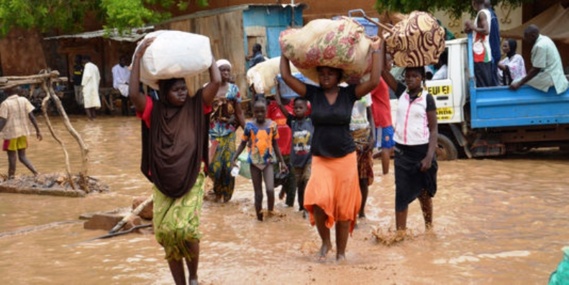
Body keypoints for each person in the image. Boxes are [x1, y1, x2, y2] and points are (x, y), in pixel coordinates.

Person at [279, 38, 383, 261]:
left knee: (344, 209)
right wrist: (285, 52)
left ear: (338, 75)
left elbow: (374, 81)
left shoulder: (349, 94)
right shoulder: (313, 94)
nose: (325, 76)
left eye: (330, 73)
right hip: (320, 158)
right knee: (316, 200)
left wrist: (376, 51)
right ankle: (326, 243)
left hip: (345, 158)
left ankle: (342, 254)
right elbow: (286, 77)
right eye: (322, 73)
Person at [129, 37, 221, 285]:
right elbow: (134, 93)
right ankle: (180, 283)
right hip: (163, 179)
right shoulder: (153, 111)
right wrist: (137, 58)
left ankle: (193, 277)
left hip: (192, 175)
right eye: (176, 89)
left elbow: (216, 81)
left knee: (186, 229)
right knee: (165, 233)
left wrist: (208, 54)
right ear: (164, 93)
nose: (182, 92)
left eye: (184, 88)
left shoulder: (196, 105)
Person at [382, 65, 438, 238]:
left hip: (422, 152)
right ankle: (400, 235)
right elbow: (383, 72)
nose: (410, 79)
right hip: (402, 152)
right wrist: (380, 42)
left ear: (422, 78)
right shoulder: (401, 93)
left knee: (424, 193)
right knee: (401, 193)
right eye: (407, 76)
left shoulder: (428, 99)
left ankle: (429, 228)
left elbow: (434, 129)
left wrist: (429, 156)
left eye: (414, 76)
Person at [231, 98, 288, 221]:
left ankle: (270, 213)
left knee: (269, 190)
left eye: (262, 111)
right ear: (253, 112)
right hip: (254, 163)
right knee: (258, 194)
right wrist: (234, 158)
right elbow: (242, 143)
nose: (260, 114)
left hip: (268, 163)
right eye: (257, 112)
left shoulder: (272, 125)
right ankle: (259, 218)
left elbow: (275, 145)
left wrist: (282, 162)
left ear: (266, 111)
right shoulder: (249, 126)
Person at [208, 59, 245, 202]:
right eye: (222, 70)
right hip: (212, 135)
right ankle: (217, 192)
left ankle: (227, 198)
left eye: (228, 70)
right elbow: (203, 113)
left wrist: (248, 132)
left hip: (229, 133)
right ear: (216, 72)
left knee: (229, 167)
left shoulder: (234, 89)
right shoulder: (208, 88)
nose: (226, 73)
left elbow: (239, 113)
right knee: (214, 168)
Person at [275, 85, 313, 217]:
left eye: (300, 107)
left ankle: (307, 209)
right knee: (300, 187)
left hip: (309, 160)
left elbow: (316, 104)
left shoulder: (311, 120)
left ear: (306, 108)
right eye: (295, 107)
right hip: (296, 162)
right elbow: (280, 105)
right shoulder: (292, 122)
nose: (297, 110)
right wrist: (277, 88)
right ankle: (302, 207)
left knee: (308, 181)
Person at [510, 25, 569, 94]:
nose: (525, 39)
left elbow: (536, 69)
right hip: (554, 74)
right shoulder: (546, 39)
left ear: (533, 36)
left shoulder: (540, 46)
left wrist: (519, 83)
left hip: (549, 78)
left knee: (515, 81)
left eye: (526, 36)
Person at [0, 86, 42, 179]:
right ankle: (36, 173)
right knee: (22, 156)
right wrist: (38, 131)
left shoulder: (5, 104)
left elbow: (2, 121)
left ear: (7, 93)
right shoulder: (24, 100)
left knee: (12, 157)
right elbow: (32, 116)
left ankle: (11, 177)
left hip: (11, 134)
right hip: (22, 132)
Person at [266, 95, 296, 207]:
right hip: (275, 153)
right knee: (272, 181)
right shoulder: (271, 106)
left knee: (292, 187)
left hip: (291, 152)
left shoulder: (295, 105)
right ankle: (284, 183)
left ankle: (289, 209)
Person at [371, 53, 398, 175]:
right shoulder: (379, 80)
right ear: (384, 64)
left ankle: (372, 158)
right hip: (381, 119)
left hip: (385, 118)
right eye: (389, 62)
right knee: (386, 147)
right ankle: (385, 174)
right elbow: (367, 95)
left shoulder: (384, 79)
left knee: (389, 146)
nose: (391, 64)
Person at [349, 92, 375, 219]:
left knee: (363, 179)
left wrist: (373, 137)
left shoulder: (366, 92)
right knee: (350, 180)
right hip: (348, 138)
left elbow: (370, 115)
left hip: (365, 137)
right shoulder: (343, 90)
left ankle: (361, 212)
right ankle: (351, 213)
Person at [464, 0, 495, 87]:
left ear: (474, 3)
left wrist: (473, 27)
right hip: (482, 53)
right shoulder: (486, 12)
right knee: (484, 81)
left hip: (480, 54)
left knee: (482, 83)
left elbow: (486, 30)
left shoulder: (482, 14)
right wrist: (470, 29)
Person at [485, 0, 501, 86]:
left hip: (492, 55)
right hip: (493, 53)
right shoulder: (490, 15)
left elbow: (493, 37)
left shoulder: (489, 16)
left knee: (492, 82)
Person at [81, 55, 101, 120]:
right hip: (94, 87)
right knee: (92, 104)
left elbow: (86, 76)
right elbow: (99, 78)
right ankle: (94, 117)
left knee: (87, 104)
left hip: (88, 87)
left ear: (85, 60)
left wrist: (83, 84)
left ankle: (89, 118)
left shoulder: (87, 66)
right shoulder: (95, 66)